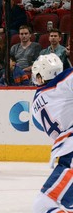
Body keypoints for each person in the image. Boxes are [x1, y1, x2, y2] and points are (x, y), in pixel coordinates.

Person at [31, 53, 73, 212]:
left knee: (43, 206)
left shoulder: (35, 105)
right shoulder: (66, 79)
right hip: (69, 153)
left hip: (69, 153)